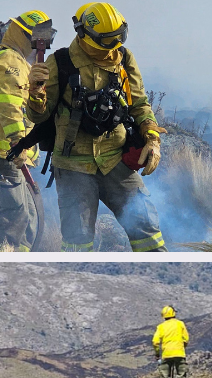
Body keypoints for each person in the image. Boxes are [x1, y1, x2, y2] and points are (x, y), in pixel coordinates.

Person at [26, 2, 167, 252]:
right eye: (106, 41)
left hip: (114, 159)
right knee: (77, 243)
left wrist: (152, 138)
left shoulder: (125, 58)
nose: (114, 47)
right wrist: (36, 93)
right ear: (84, 35)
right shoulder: (59, 63)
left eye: (118, 38)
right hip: (73, 165)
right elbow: (40, 117)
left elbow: (140, 103)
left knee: (145, 226)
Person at [0, 10, 50, 252]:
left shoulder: (20, 64)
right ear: (28, 37)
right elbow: (8, 104)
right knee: (13, 213)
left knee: (29, 219)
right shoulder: (11, 62)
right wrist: (18, 144)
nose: (44, 46)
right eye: (41, 40)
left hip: (10, 151)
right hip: (3, 149)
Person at [152, 305, 189, 378]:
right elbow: (186, 339)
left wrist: (157, 354)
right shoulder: (180, 324)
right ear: (174, 313)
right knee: (181, 375)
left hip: (166, 354)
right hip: (179, 353)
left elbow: (155, 342)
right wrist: (181, 347)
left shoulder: (161, 327)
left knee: (165, 376)